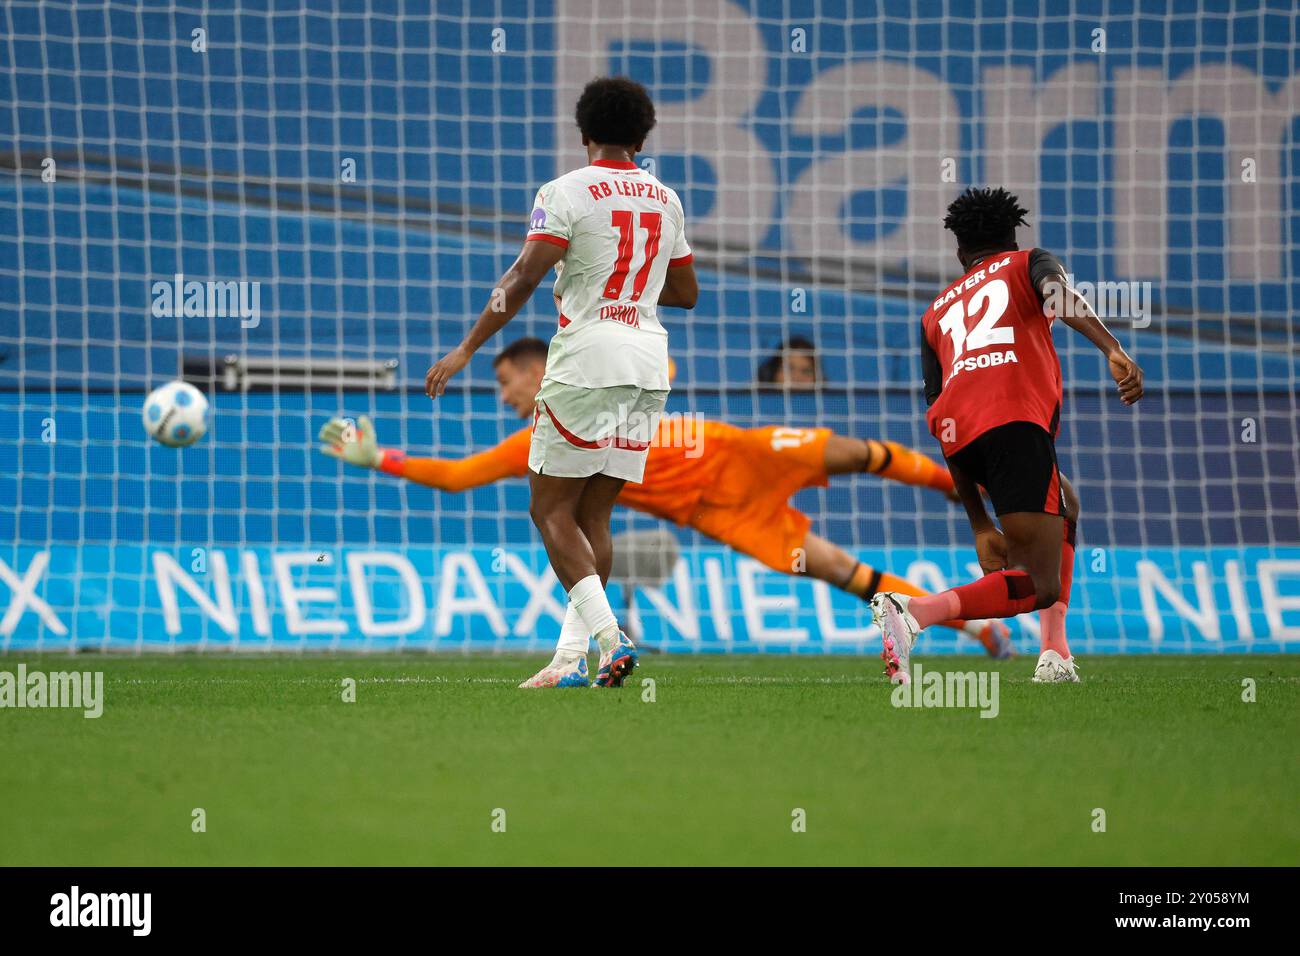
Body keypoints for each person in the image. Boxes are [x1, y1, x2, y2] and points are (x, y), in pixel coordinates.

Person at [323, 338, 1013, 687]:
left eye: (507, 382)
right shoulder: (535, 442)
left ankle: (958, 489)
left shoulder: (590, 374)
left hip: (734, 453)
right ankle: (970, 625)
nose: (503, 396)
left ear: (538, 372)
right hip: (716, 512)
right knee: (839, 570)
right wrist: (379, 457)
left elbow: (659, 363)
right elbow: (457, 476)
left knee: (853, 452)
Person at [423, 76, 696, 688]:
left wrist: (466, 348)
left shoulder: (565, 191)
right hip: (648, 364)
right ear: (644, 134)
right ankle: (571, 660)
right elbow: (687, 293)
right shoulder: (666, 199)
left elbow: (522, 275)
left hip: (587, 359)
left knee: (549, 509)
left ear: (584, 135)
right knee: (593, 515)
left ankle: (609, 639)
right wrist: (637, 286)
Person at [871, 187, 1143, 684]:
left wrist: (980, 523)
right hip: (1014, 423)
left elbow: (939, 413)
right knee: (1038, 584)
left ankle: (1055, 654)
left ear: (960, 252)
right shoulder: (1027, 263)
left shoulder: (934, 313)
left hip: (964, 438)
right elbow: (1058, 295)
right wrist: (1112, 347)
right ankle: (913, 613)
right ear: (1013, 237)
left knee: (1066, 502)